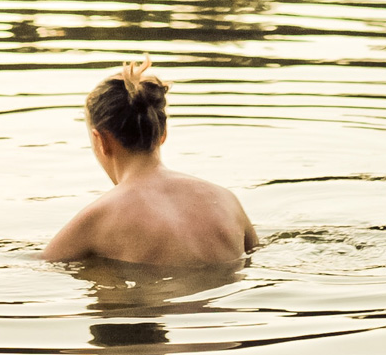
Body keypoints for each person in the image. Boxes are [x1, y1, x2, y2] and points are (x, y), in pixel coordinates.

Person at [43, 56, 259, 266]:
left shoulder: (99, 218)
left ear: (101, 141)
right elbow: (256, 254)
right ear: (163, 133)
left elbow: (38, 267)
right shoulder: (226, 200)